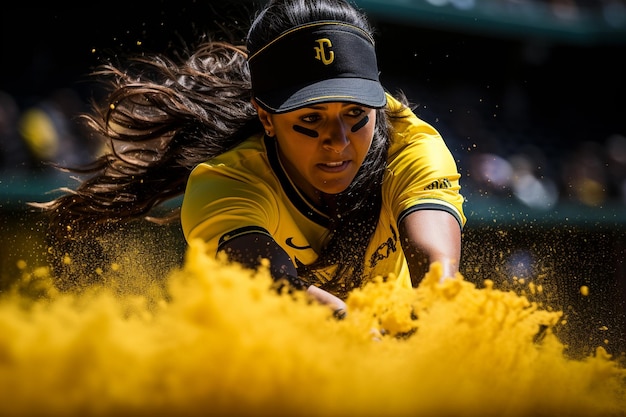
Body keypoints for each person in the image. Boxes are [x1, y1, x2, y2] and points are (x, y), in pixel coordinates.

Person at [31, 0, 466, 317]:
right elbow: (278, 289)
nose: (338, 142)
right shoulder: (225, 182)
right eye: (311, 119)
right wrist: (353, 331)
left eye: (356, 115)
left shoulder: (412, 146)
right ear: (266, 117)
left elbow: (437, 273)